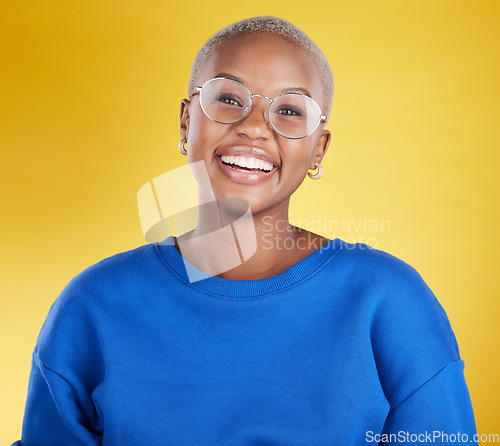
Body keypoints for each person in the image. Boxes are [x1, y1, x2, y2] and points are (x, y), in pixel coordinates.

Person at [13, 16, 477, 446]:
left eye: (291, 110)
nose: (255, 127)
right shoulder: (93, 305)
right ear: (186, 120)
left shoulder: (389, 302)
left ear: (319, 149)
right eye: (229, 99)